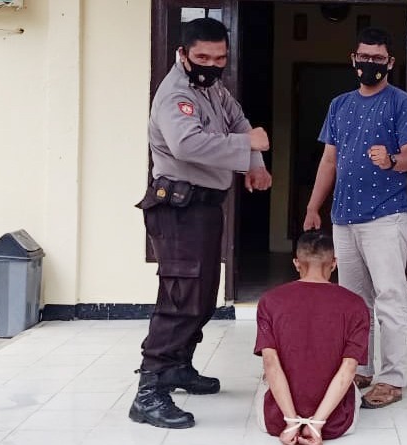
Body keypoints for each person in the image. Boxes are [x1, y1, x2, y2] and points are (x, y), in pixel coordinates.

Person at [130, 17, 272, 429]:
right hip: (178, 209)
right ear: (183, 54)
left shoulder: (212, 89)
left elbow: (240, 122)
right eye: (203, 57)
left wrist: (254, 163)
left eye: (219, 58)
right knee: (181, 299)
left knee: (203, 296)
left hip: (204, 207)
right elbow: (187, 144)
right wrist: (247, 145)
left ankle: (178, 367)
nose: (212, 64)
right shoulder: (176, 94)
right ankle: (149, 392)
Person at [303, 27, 407, 409]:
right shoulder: (339, 105)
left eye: (377, 58)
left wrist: (391, 160)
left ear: (390, 62)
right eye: (364, 57)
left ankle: (391, 379)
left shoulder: (402, 103)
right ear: (353, 59)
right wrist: (313, 207)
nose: (369, 63)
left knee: (390, 297)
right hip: (344, 217)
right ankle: (359, 368)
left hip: (386, 216)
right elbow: (329, 160)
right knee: (353, 300)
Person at [254, 231, 369, 445]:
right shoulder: (355, 305)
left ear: (296, 263)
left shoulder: (270, 301)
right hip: (337, 422)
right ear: (334, 264)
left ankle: (293, 418)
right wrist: (316, 424)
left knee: (266, 372)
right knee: (350, 377)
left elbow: (270, 363)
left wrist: (291, 422)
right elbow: (349, 368)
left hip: (277, 420)